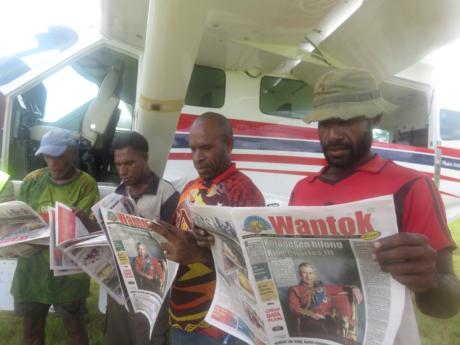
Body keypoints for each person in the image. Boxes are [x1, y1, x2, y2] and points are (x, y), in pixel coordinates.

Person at [289, 68, 460, 344]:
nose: (332, 135)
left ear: (375, 117)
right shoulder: (302, 190)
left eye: (345, 120)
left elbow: (447, 306)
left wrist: (431, 282)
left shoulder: (412, 186)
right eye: (324, 123)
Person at [150, 112, 265, 345]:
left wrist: (200, 254)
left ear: (228, 145)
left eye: (205, 148)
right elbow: (177, 240)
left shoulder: (244, 192)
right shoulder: (190, 187)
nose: (197, 157)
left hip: (221, 327)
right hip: (182, 315)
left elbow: (255, 266)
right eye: (192, 149)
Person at [11, 128, 100, 345]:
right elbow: (22, 221)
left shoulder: (86, 184)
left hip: (68, 272)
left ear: (72, 153)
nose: (52, 162)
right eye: (47, 156)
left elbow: (89, 228)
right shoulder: (33, 180)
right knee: (31, 329)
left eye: (58, 156)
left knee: (75, 328)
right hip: (32, 271)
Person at [105, 131, 179, 345]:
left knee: (148, 336)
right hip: (120, 282)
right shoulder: (117, 193)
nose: (123, 170)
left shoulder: (167, 194)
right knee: (119, 336)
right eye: (118, 164)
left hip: (151, 286)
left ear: (145, 158)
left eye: (129, 163)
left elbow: (172, 247)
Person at [288, 262, 362, 340]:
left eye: (310, 273)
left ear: (314, 274)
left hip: (327, 319)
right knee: (326, 328)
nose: (308, 276)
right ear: (300, 274)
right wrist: (312, 314)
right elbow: (294, 308)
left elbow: (341, 288)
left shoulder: (322, 287)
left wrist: (354, 288)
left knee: (334, 325)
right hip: (308, 320)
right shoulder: (295, 289)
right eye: (305, 273)